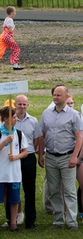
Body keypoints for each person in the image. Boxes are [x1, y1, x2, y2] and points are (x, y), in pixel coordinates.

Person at [39, 85, 83, 230]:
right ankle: (58, 220)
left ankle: (72, 221)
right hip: (51, 156)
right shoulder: (46, 113)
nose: (55, 97)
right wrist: (41, 154)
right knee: (54, 190)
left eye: (58, 95)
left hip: (67, 157)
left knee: (69, 191)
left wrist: (74, 157)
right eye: (54, 95)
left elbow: (79, 138)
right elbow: (42, 135)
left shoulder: (74, 115)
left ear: (66, 97)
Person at [10, 95, 42, 229]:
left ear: (28, 105)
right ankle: (12, 218)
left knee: (30, 189)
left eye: (24, 104)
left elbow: (36, 140)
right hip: (12, 159)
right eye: (19, 104)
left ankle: (30, 220)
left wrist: (33, 151)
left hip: (28, 158)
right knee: (12, 188)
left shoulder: (33, 121)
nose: (22, 107)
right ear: (15, 105)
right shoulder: (9, 121)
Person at [0, 106, 28, 232]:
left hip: (14, 172)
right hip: (1, 172)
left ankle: (13, 223)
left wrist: (17, 156)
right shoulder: (1, 133)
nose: (16, 119)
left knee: (14, 198)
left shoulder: (19, 133)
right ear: (6, 119)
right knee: (3, 196)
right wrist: (5, 141)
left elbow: (25, 152)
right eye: (13, 117)